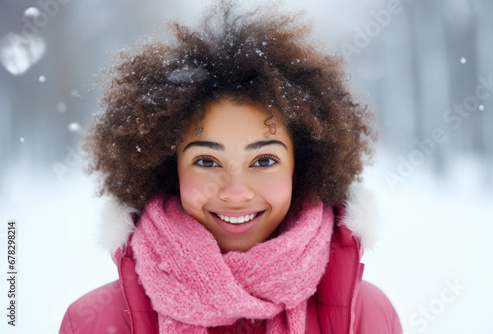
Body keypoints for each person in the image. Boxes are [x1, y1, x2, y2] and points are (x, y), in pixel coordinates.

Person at [59, 1, 402, 333]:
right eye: (207, 161)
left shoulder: (370, 317)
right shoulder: (90, 323)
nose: (236, 192)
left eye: (264, 160)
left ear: (303, 165)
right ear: (168, 169)